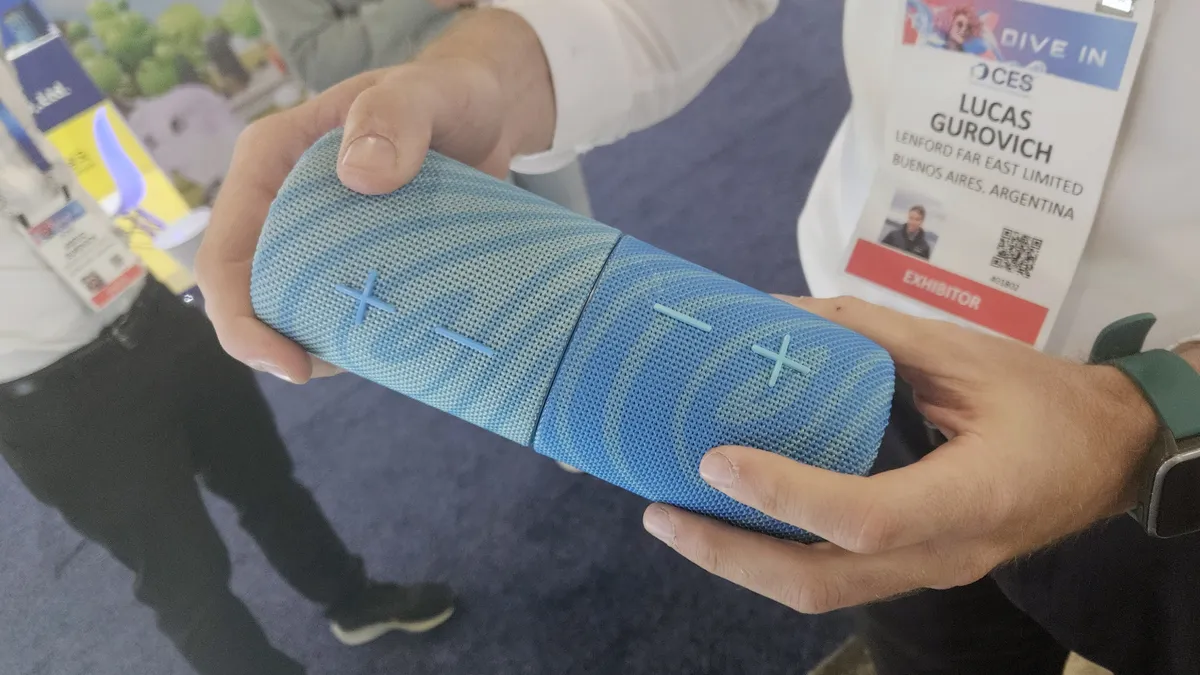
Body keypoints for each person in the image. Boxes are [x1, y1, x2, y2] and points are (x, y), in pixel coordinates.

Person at [194, 2, 1200, 674]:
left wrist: (1139, 413)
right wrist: (488, 64)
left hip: (1169, 415)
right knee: (936, 645)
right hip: (852, 357)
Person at [0, 62, 453, 675]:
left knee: (268, 482)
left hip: (148, 310)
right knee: (182, 577)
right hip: (49, 395)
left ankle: (352, 600)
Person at [252, 0, 594, 219]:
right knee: (502, 248)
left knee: (578, 221)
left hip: (509, 64)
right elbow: (319, 59)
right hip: (418, 125)